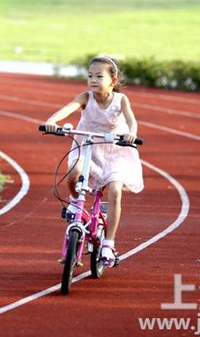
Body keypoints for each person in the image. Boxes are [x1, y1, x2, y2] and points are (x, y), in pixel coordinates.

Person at [43, 55, 144, 267]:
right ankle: (74, 202)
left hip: (114, 150)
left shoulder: (121, 100)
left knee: (115, 191)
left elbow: (131, 121)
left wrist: (131, 134)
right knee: (73, 172)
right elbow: (69, 108)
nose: (93, 80)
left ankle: (108, 243)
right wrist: (52, 120)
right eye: (90, 76)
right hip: (87, 147)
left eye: (99, 76)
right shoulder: (86, 98)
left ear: (113, 81)